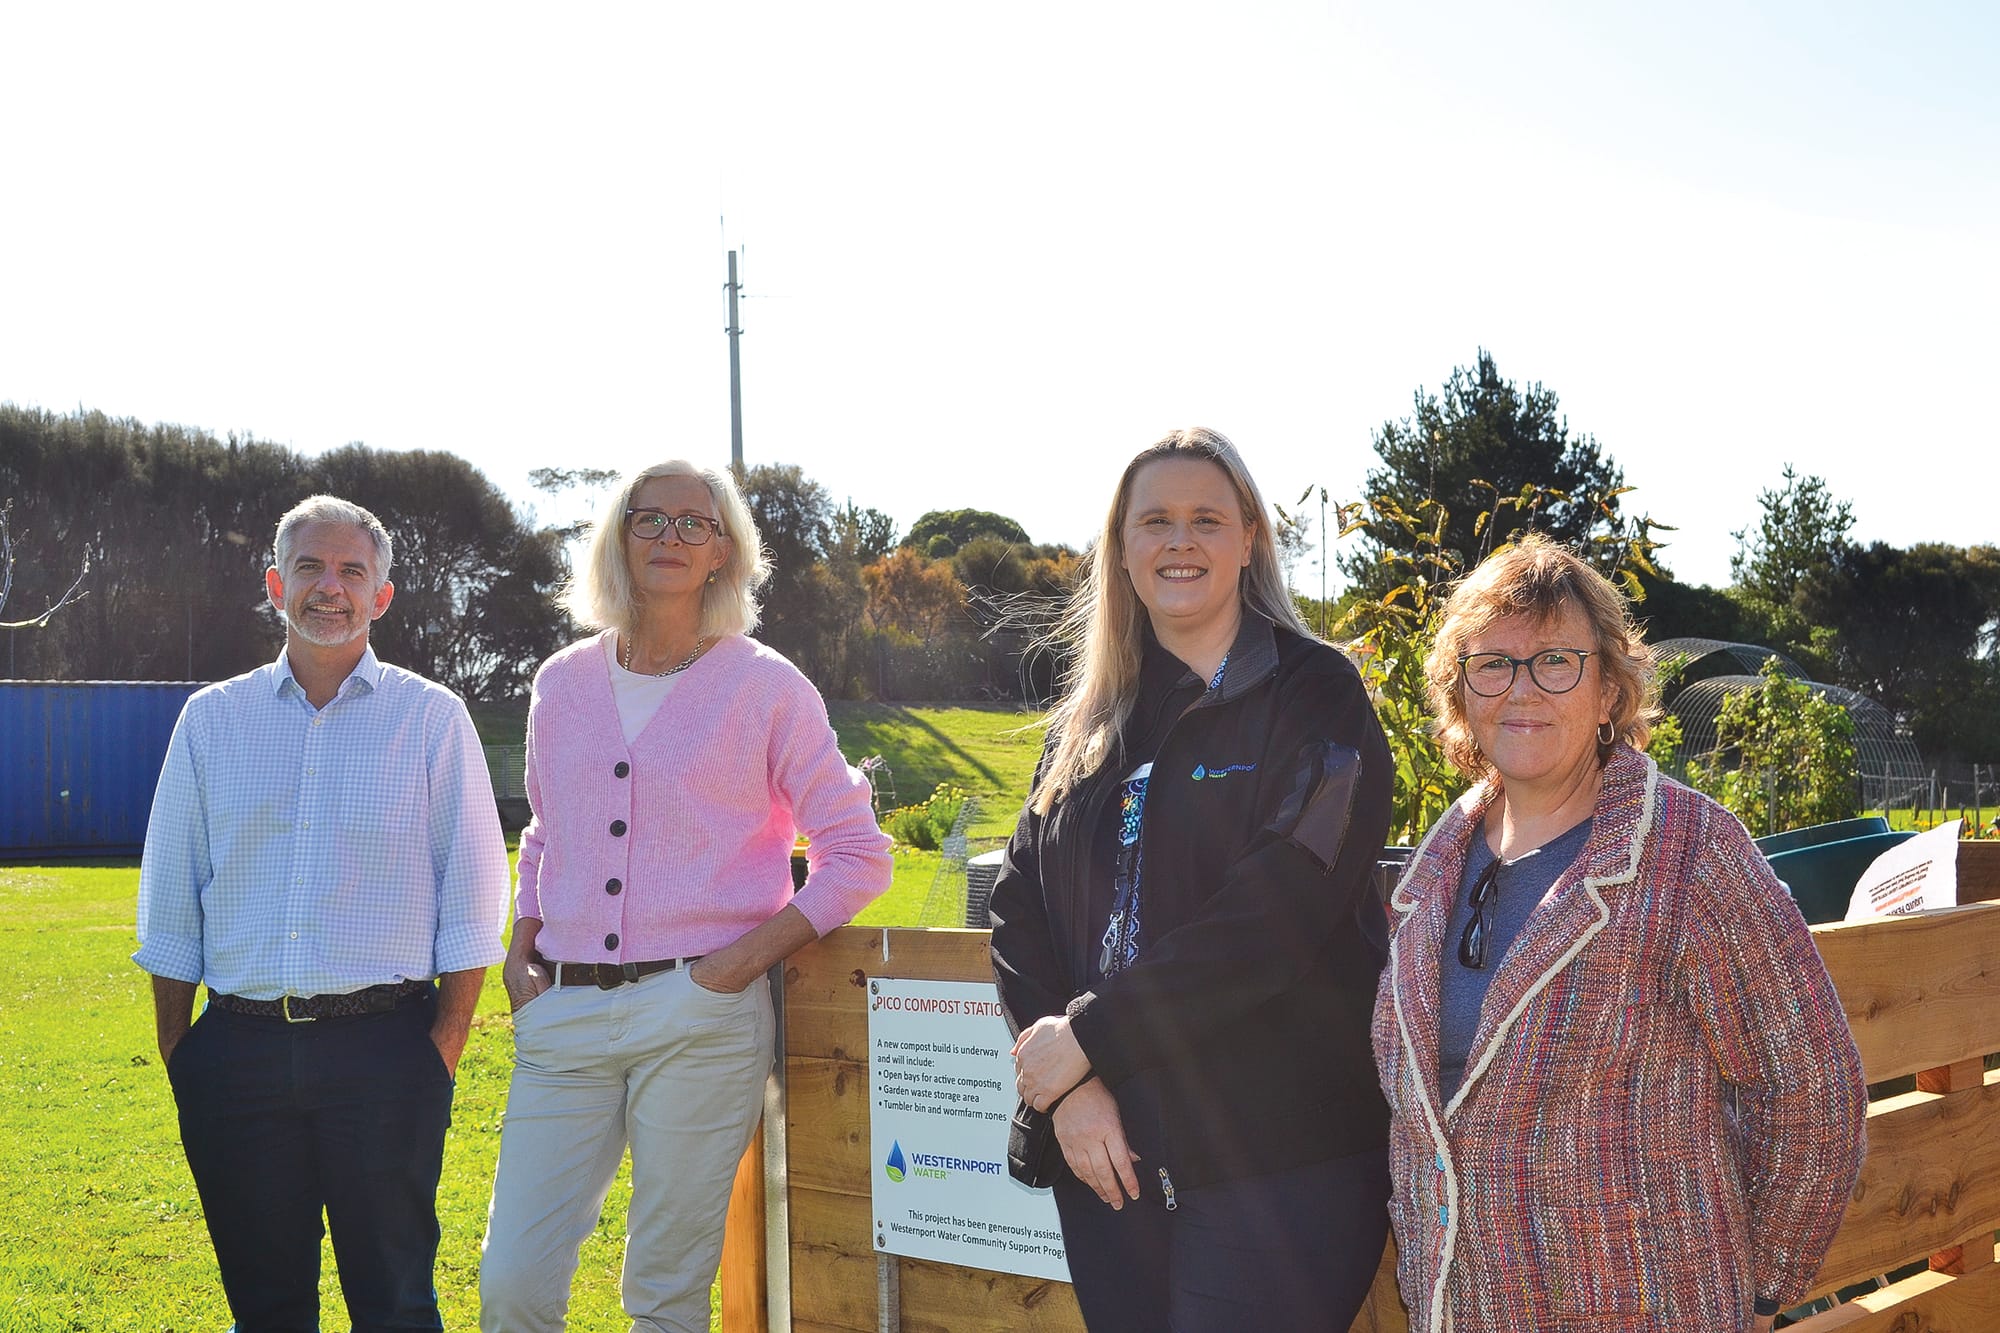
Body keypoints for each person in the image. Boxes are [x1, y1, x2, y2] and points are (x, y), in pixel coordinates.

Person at [1373, 535, 1868, 1333]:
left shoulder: (1688, 850)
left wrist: (1760, 1292)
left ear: (1608, 689)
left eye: (1557, 661)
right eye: (1492, 664)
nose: (1522, 688)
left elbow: (1813, 1088)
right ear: (1460, 691)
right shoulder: (1437, 864)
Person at [993, 428, 1395, 1331]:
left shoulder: (1319, 698)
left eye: (1207, 518)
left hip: (1283, 1165)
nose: (1181, 541)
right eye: (1157, 521)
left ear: (1249, 537)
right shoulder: (1088, 723)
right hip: (1109, 1152)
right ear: (1123, 549)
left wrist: (1091, 1037)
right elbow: (1020, 916)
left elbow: (1275, 916)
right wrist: (1067, 1086)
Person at [478, 460, 891, 1332]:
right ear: (618, 538)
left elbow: (857, 853)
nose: (670, 536)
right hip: (565, 1013)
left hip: (702, 1018)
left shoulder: (766, 684)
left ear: (723, 552)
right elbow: (547, 829)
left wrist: (731, 968)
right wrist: (523, 947)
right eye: (648, 518)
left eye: (692, 523)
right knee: (512, 1282)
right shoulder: (560, 681)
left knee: (664, 1294)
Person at [135, 494, 511, 1331]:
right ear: (276, 583)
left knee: (396, 1304)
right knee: (265, 1309)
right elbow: (168, 896)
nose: (328, 587)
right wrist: (181, 1050)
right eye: (309, 566)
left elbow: (476, 896)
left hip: (385, 1053)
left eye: (352, 570)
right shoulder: (211, 721)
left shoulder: (432, 720)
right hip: (237, 1055)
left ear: (381, 595)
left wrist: (441, 1047)